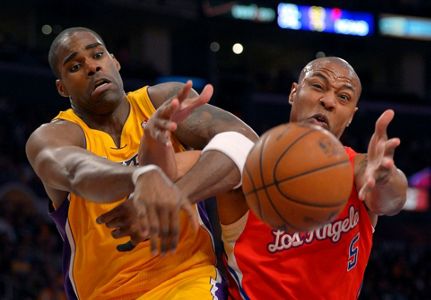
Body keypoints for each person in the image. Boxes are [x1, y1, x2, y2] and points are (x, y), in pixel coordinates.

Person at [129, 56, 408, 300]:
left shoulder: (360, 169)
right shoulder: (241, 158)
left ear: (350, 117)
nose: (328, 101)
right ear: (293, 93)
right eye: (318, 86)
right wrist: (157, 138)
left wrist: (384, 177)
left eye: (344, 97)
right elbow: (160, 173)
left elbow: (392, 200)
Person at [25, 27, 258, 300]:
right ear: (61, 87)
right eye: (75, 66)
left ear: (115, 60)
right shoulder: (52, 136)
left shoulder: (162, 101)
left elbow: (247, 142)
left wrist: (171, 195)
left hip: (186, 280)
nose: (92, 67)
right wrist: (141, 177)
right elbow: (76, 171)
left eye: (97, 54)